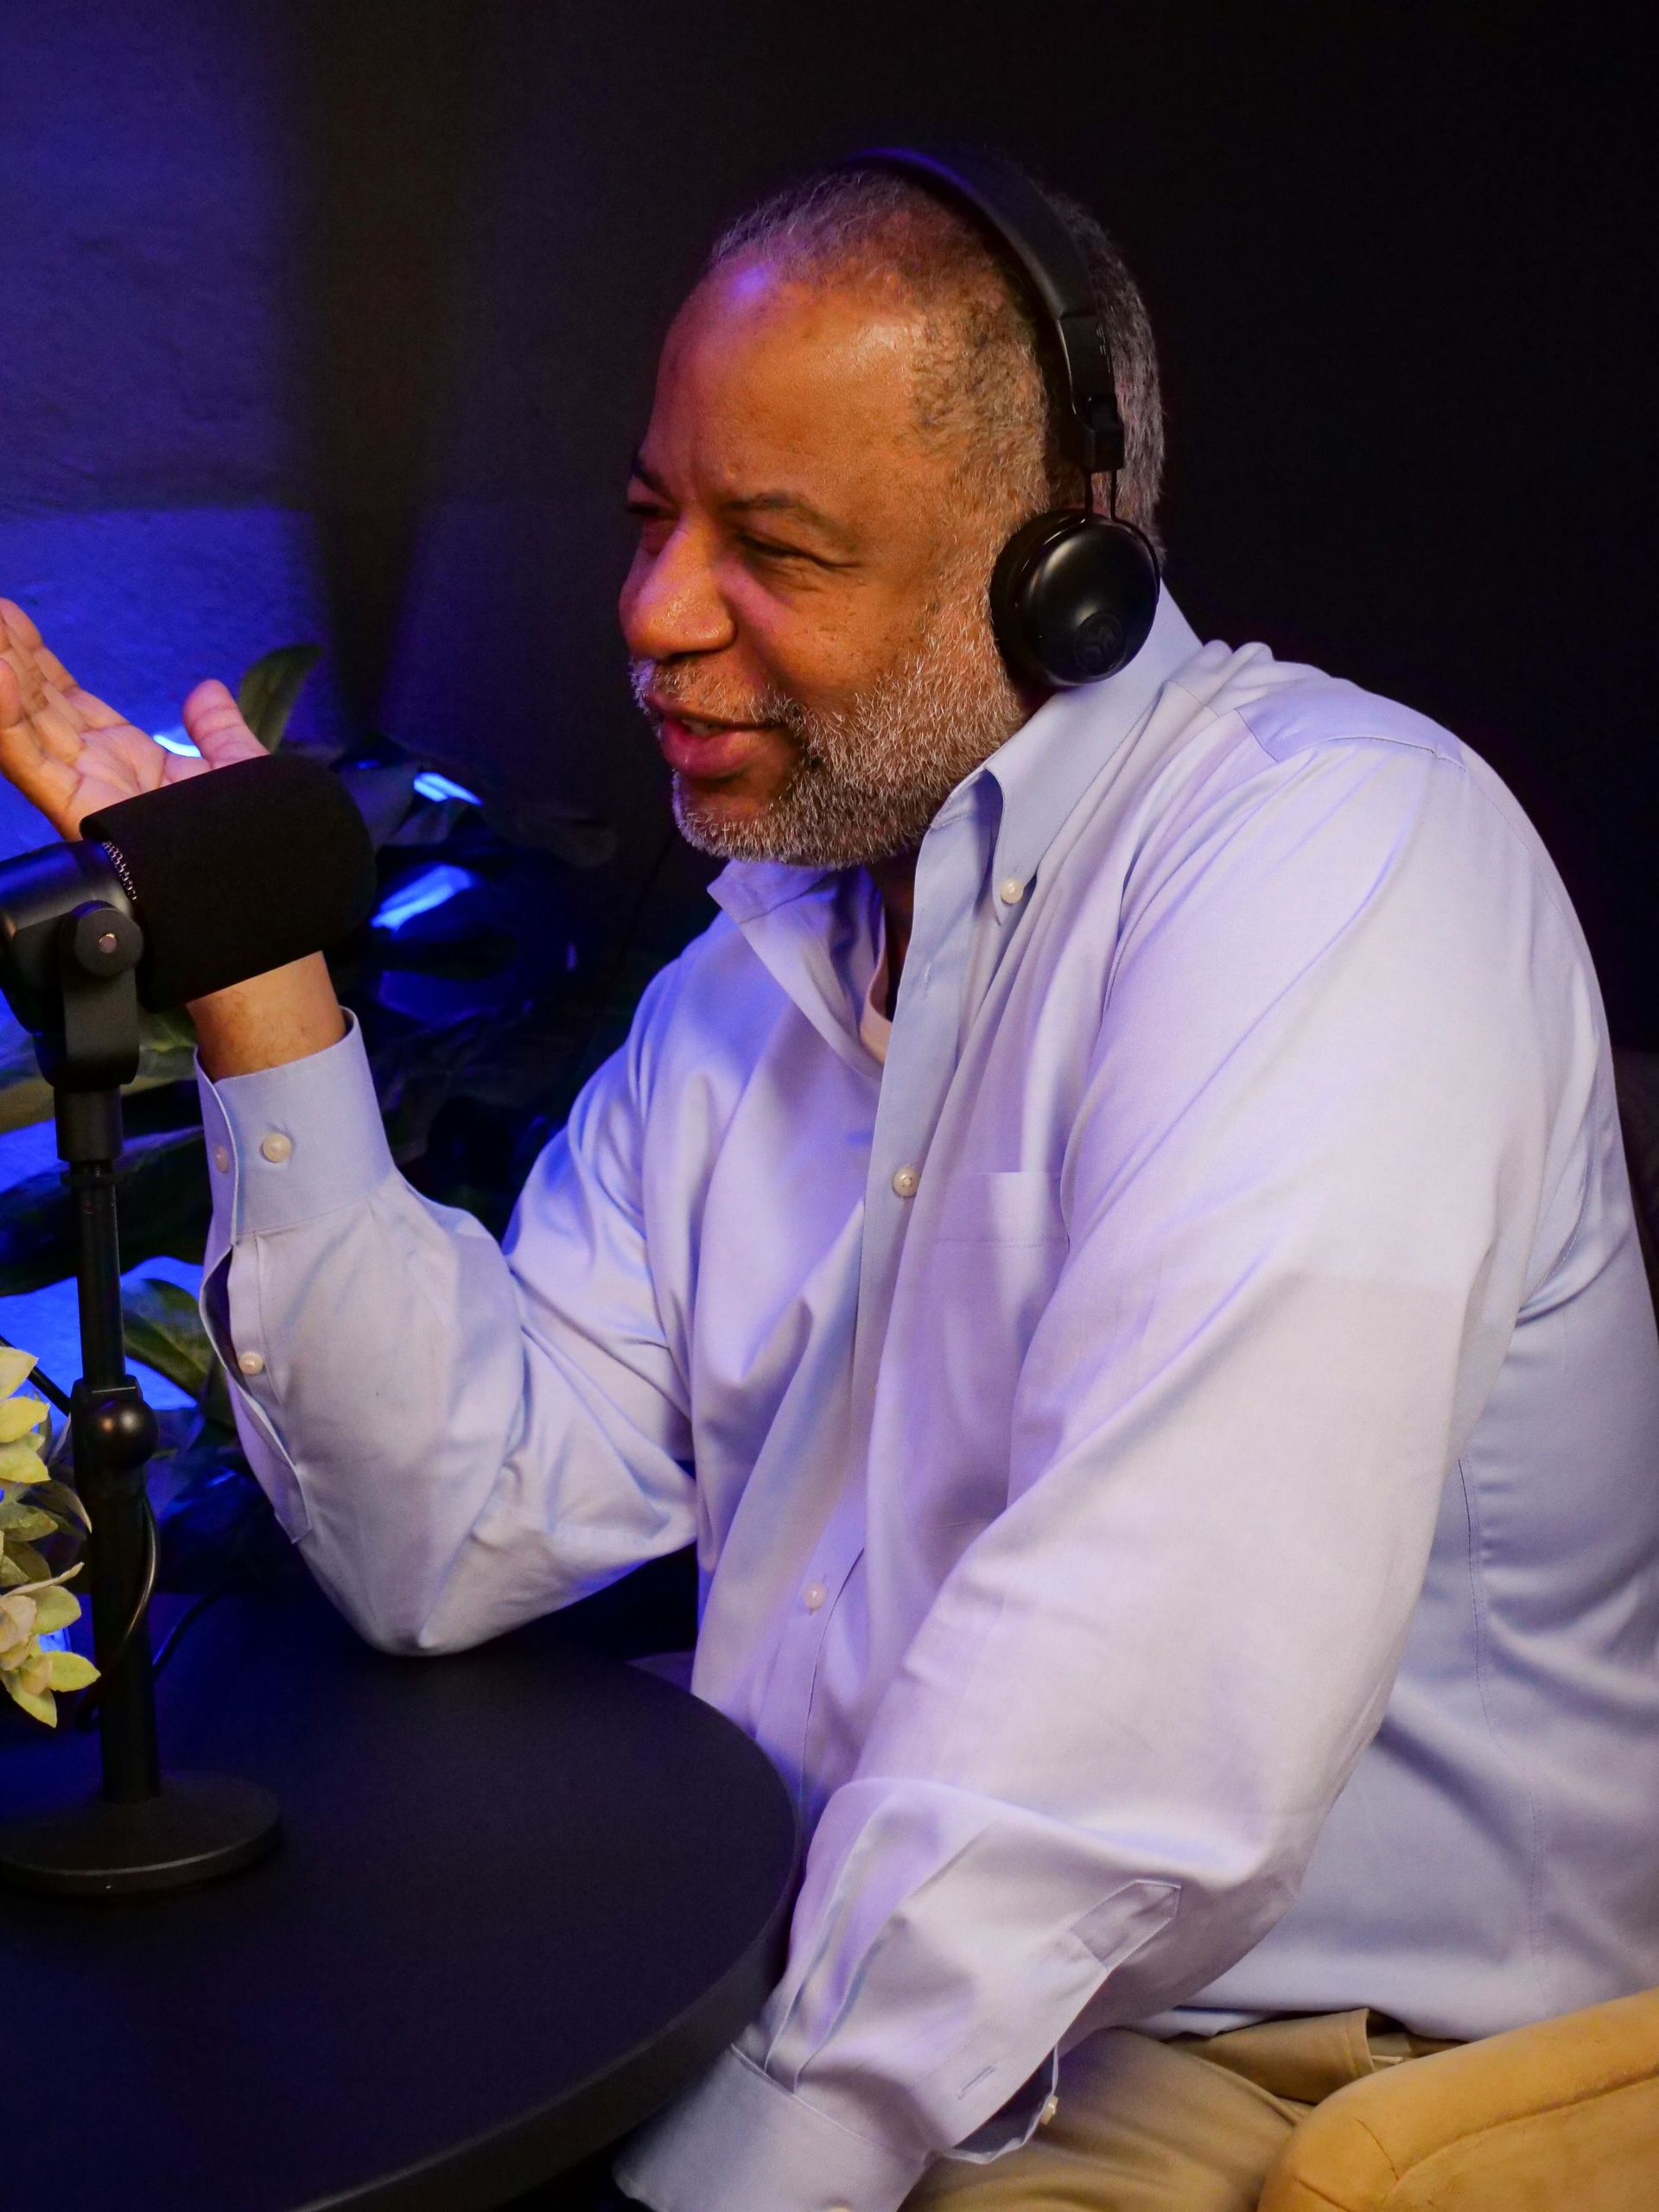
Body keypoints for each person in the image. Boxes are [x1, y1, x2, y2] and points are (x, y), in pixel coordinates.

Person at [3, 153, 1657, 2212]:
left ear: (1069, 574)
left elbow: (1130, 1729)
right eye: (648, 516)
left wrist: (693, 2183)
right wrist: (257, 983)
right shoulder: (752, 978)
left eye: (772, 545)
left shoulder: (1339, 863)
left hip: (1290, 2067)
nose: (655, 613)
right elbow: (447, 1520)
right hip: (827, 1977)